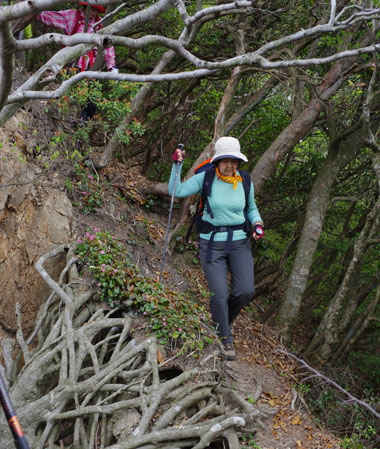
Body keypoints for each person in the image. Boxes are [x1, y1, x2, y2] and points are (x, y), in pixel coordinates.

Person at [169, 136, 264, 361]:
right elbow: (176, 190)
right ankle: (225, 337)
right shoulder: (207, 178)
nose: (229, 165)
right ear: (217, 161)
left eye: (233, 160)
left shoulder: (245, 181)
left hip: (239, 241)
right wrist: (177, 165)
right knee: (219, 294)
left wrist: (257, 223)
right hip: (211, 242)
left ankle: (221, 322)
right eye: (225, 160)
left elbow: (251, 208)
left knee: (245, 291)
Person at [36, 2, 117, 72]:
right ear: (86, 7)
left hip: (91, 65)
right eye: (93, 9)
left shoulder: (100, 24)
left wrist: (112, 66)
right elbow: (52, 17)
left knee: (89, 88)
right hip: (72, 61)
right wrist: (34, 11)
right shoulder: (72, 16)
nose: (94, 13)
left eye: (97, 11)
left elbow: (108, 46)